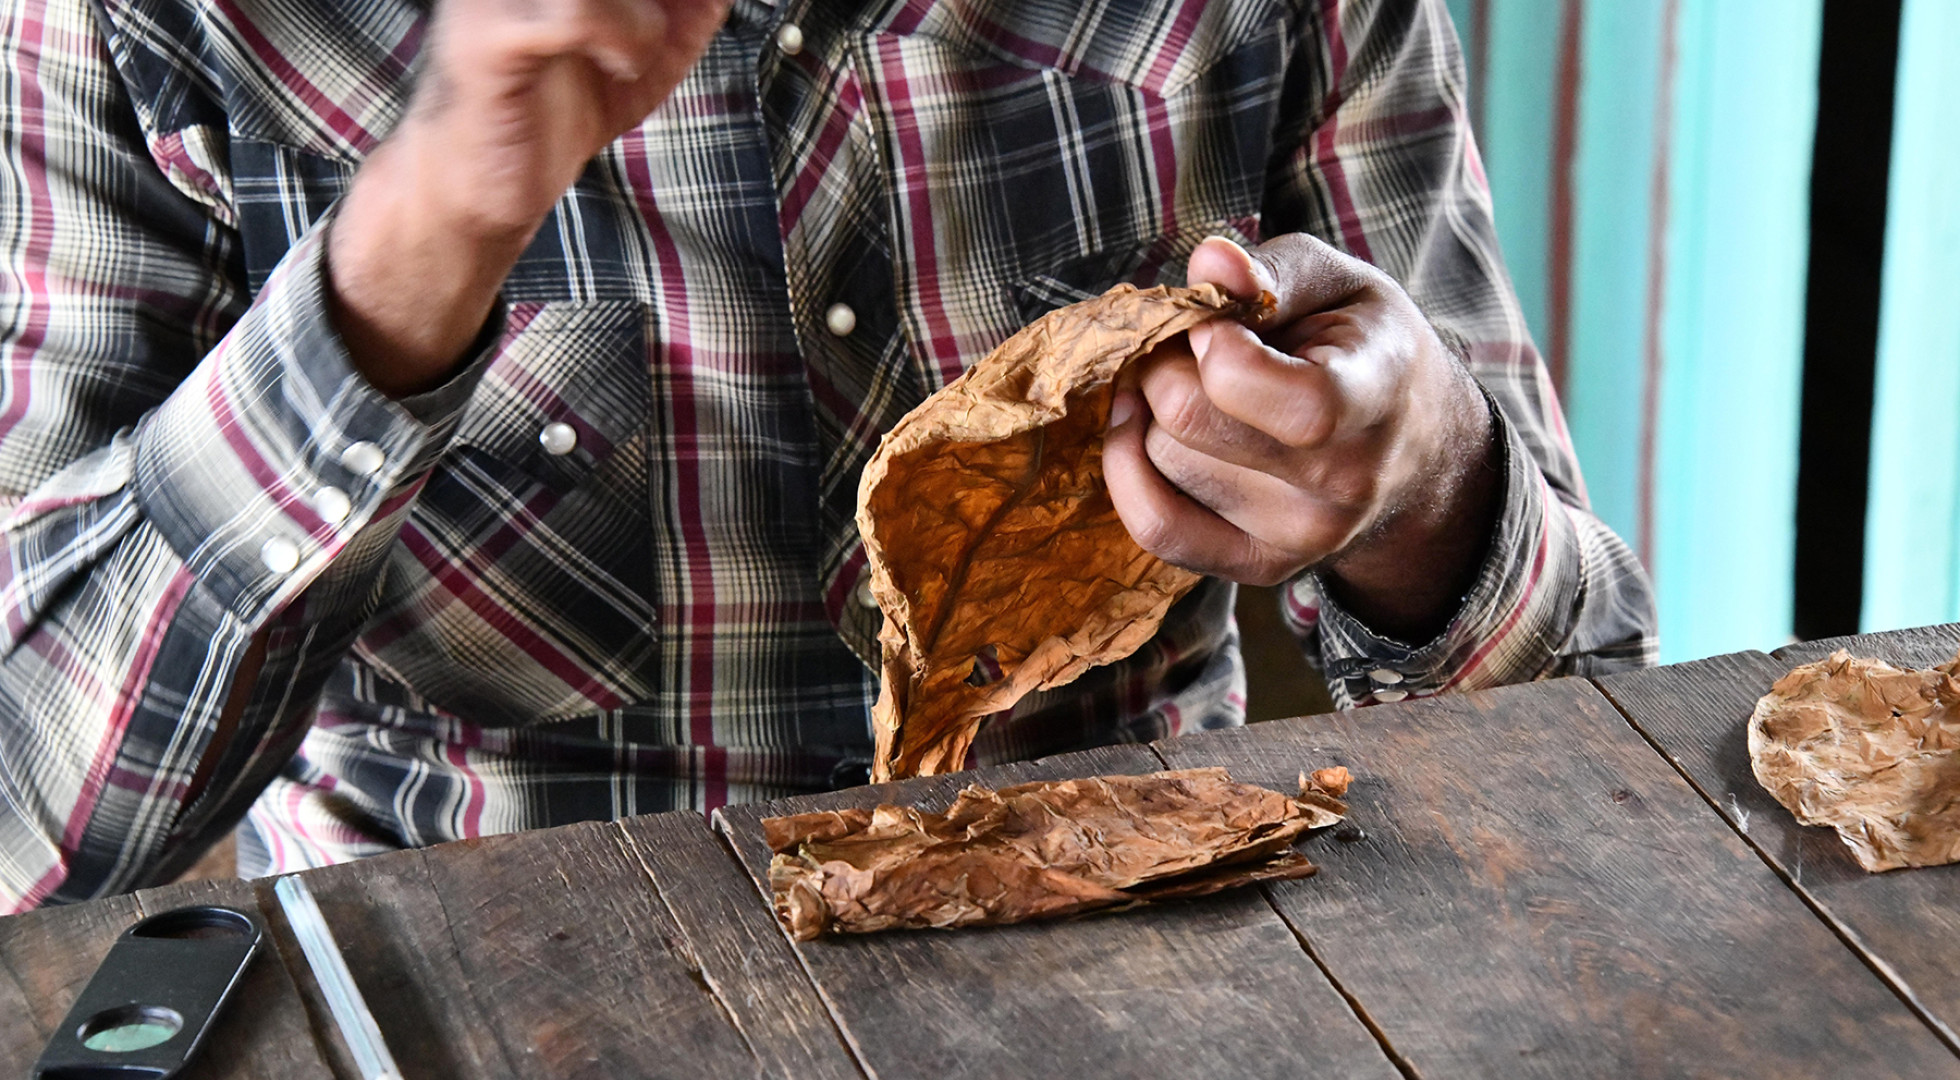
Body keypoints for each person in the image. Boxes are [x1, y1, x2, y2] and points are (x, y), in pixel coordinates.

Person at [0, 0, 1655, 910]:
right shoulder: (153, 25)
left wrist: (1421, 480)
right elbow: (31, 822)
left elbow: (1591, 718)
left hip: (1147, 979)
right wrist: (412, 253)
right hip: (481, 1001)